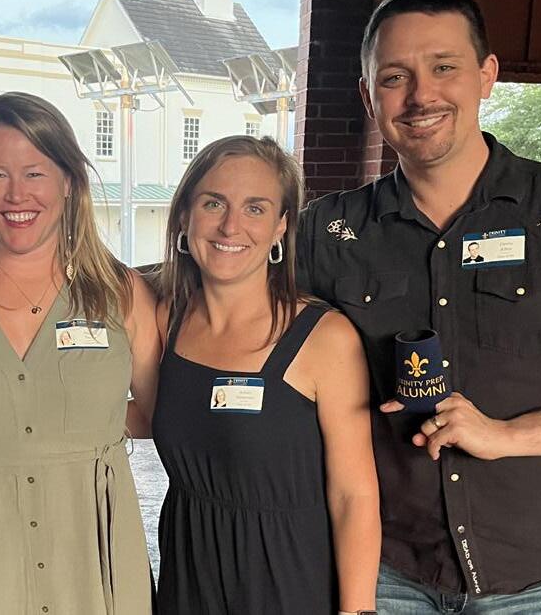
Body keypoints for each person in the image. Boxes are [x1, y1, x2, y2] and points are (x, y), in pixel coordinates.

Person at [297, 0, 541, 614]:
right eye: (394, 77)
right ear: (368, 96)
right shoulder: (329, 232)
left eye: (444, 67)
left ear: (487, 75)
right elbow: (225, 296)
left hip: (538, 579)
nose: (421, 95)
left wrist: (507, 435)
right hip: (385, 570)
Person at [0, 92, 159, 614]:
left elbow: (159, 413)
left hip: (93, 559)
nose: (17, 194)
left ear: (69, 182)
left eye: (35, 173)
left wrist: (76, 423)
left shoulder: (121, 294)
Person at [154, 135, 380, 615]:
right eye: (213, 203)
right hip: (188, 578)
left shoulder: (324, 338)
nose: (230, 226)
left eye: (255, 209)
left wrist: (357, 612)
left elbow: (354, 496)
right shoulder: (166, 318)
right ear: (185, 215)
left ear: (281, 226)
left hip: (287, 583)